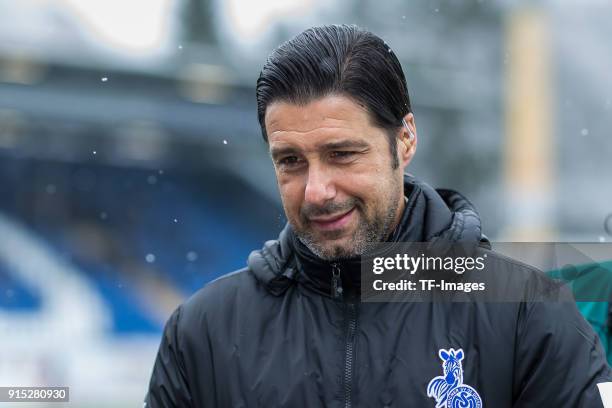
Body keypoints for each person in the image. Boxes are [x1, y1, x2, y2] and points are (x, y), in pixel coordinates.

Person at [144, 24, 611, 407]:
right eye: (290, 161)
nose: (317, 191)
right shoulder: (202, 334)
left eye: (343, 154)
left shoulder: (531, 315)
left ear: (404, 139)